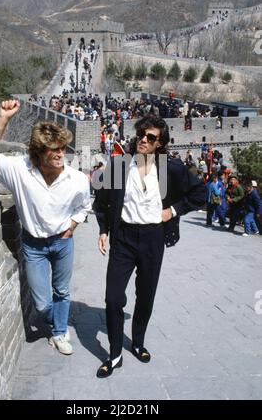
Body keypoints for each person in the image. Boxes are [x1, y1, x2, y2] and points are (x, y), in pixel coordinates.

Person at [93, 115, 207, 378]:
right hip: (123, 238)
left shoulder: (170, 169)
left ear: (160, 143)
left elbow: (199, 192)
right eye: (141, 134)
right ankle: (114, 354)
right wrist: (102, 229)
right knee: (112, 298)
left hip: (153, 239)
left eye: (151, 137)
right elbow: (102, 199)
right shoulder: (120, 166)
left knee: (145, 295)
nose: (143, 139)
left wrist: (174, 211)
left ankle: (138, 341)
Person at [0, 100, 91, 355]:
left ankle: (59, 333)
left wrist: (71, 227)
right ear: (39, 152)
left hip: (62, 242)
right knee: (41, 303)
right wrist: (4, 119)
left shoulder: (77, 180)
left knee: (61, 290)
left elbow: (84, 207)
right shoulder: (19, 170)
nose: (61, 154)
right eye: (54, 150)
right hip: (33, 244)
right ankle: (56, 320)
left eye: (63, 148)